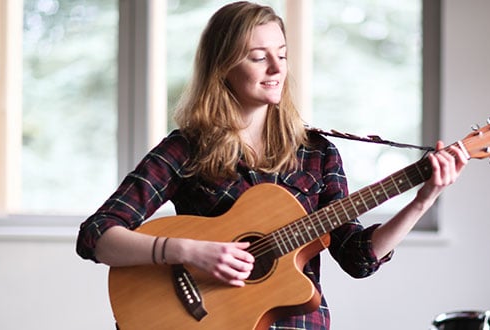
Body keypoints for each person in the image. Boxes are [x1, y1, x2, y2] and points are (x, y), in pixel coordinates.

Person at [76, 1, 467, 329]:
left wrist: (422, 200)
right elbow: (96, 235)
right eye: (258, 57)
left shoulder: (318, 153)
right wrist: (190, 252)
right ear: (222, 66)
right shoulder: (186, 148)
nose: (277, 69)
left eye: (281, 55)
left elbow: (358, 259)